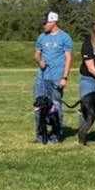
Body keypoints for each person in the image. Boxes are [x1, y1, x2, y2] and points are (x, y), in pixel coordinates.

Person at [33, 11, 73, 143]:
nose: (43, 25)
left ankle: (56, 135)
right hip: (41, 78)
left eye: (45, 23)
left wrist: (64, 77)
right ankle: (40, 135)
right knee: (39, 106)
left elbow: (68, 58)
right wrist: (40, 61)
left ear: (53, 22)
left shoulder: (65, 37)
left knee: (56, 107)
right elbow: (37, 54)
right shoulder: (41, 37)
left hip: (57, 77)